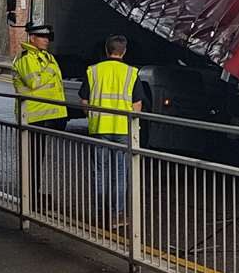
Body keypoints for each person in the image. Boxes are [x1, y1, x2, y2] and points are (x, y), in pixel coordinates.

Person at [80, 35, 143, 228]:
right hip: (123, 129)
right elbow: (137, 105)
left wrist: (93, 116)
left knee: (100, 172)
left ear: (107, 50)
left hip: (99, 128)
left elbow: (84, 101)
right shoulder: (132, 73)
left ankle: (101, 214)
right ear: (123, 51)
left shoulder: (93, 71)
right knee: (120, 173)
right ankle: (117, 215)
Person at [11, 23, 68, 210]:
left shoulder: (45, 57)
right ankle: (30, 197)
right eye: (42, 37)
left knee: (37, 158)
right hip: (32, 115)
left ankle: (33, 195)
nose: (46, 41)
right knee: (33, 159)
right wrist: (50, 70)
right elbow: (34, 82)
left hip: (42, 115)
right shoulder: (27, 58)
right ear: (32, 38)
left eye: (48, 38)